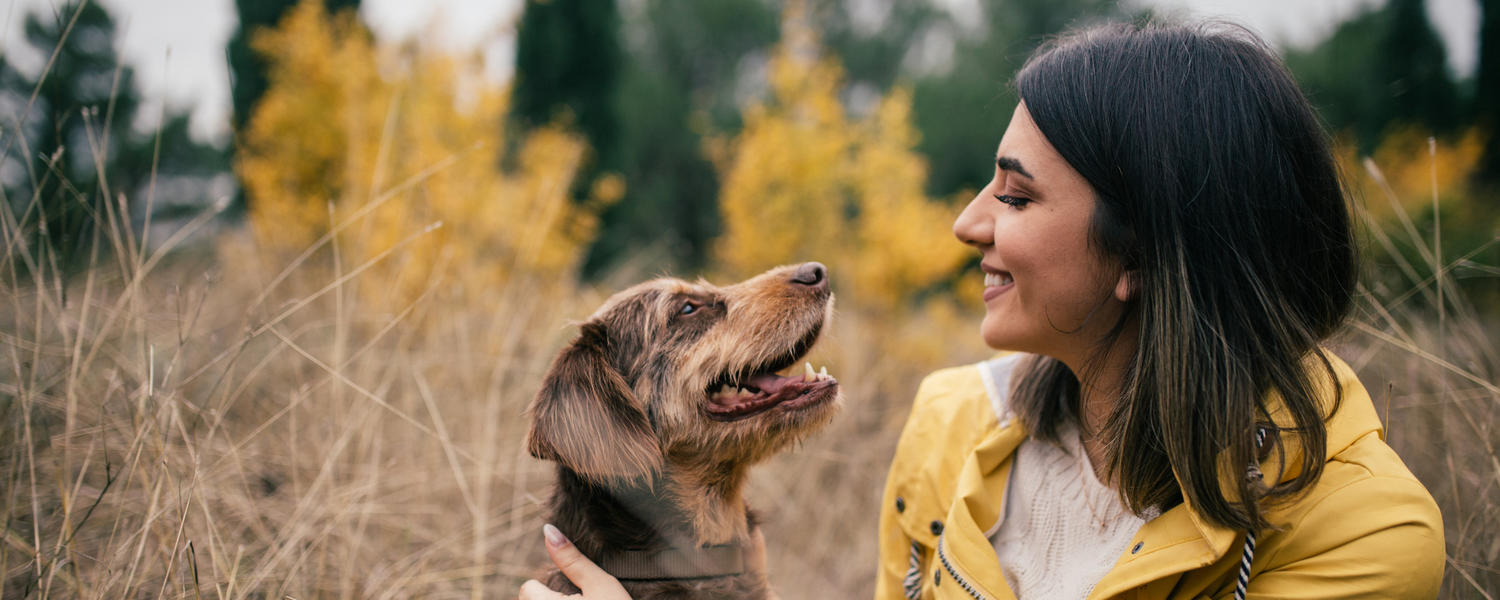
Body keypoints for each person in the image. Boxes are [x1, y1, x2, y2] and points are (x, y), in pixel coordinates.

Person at [521, 20, 1445, 600]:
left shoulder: (1367, 540)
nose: (966, 223)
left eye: (1015, 196)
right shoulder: (949, 424)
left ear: (1146, 252)